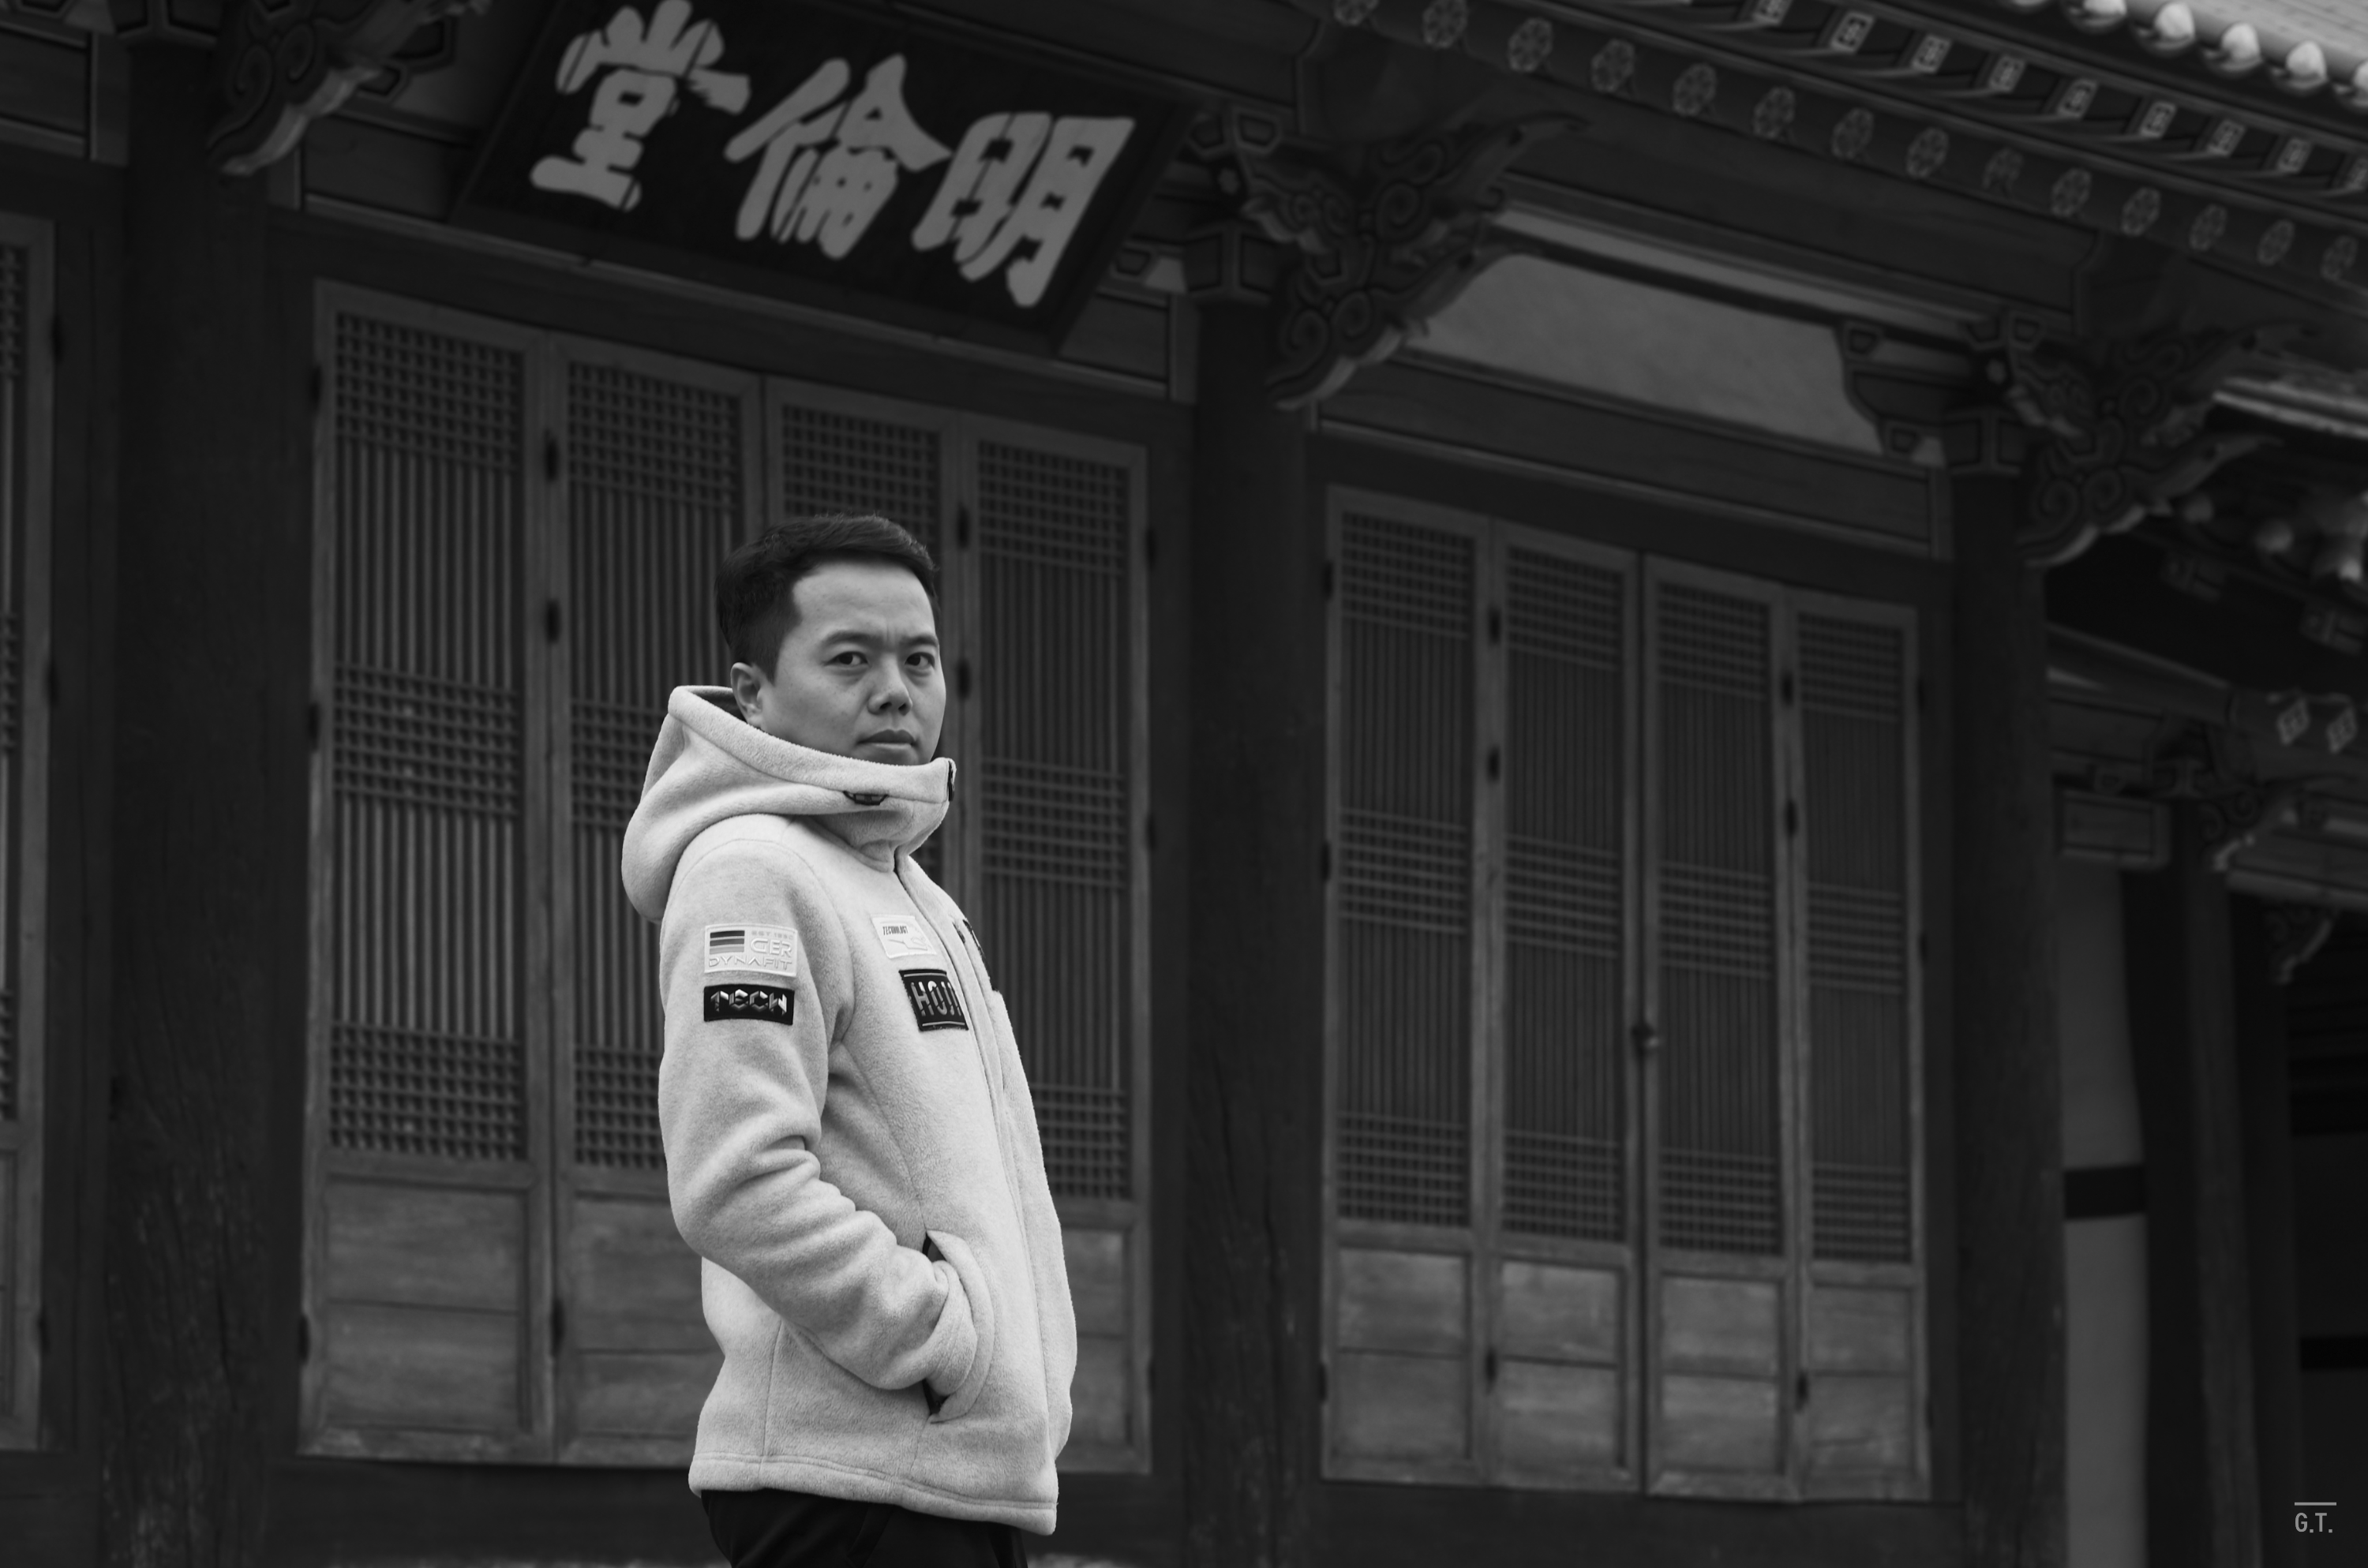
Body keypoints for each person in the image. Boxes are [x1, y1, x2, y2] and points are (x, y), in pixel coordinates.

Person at [621, 514, 1074, 1568]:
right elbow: (737, 1179)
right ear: (752, 692)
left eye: (919, 659)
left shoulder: (907, 886)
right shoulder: (754, 869)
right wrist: (942, 1339)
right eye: (850, 658)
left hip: (944, 1476)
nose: (895, 691)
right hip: (852, 1485)